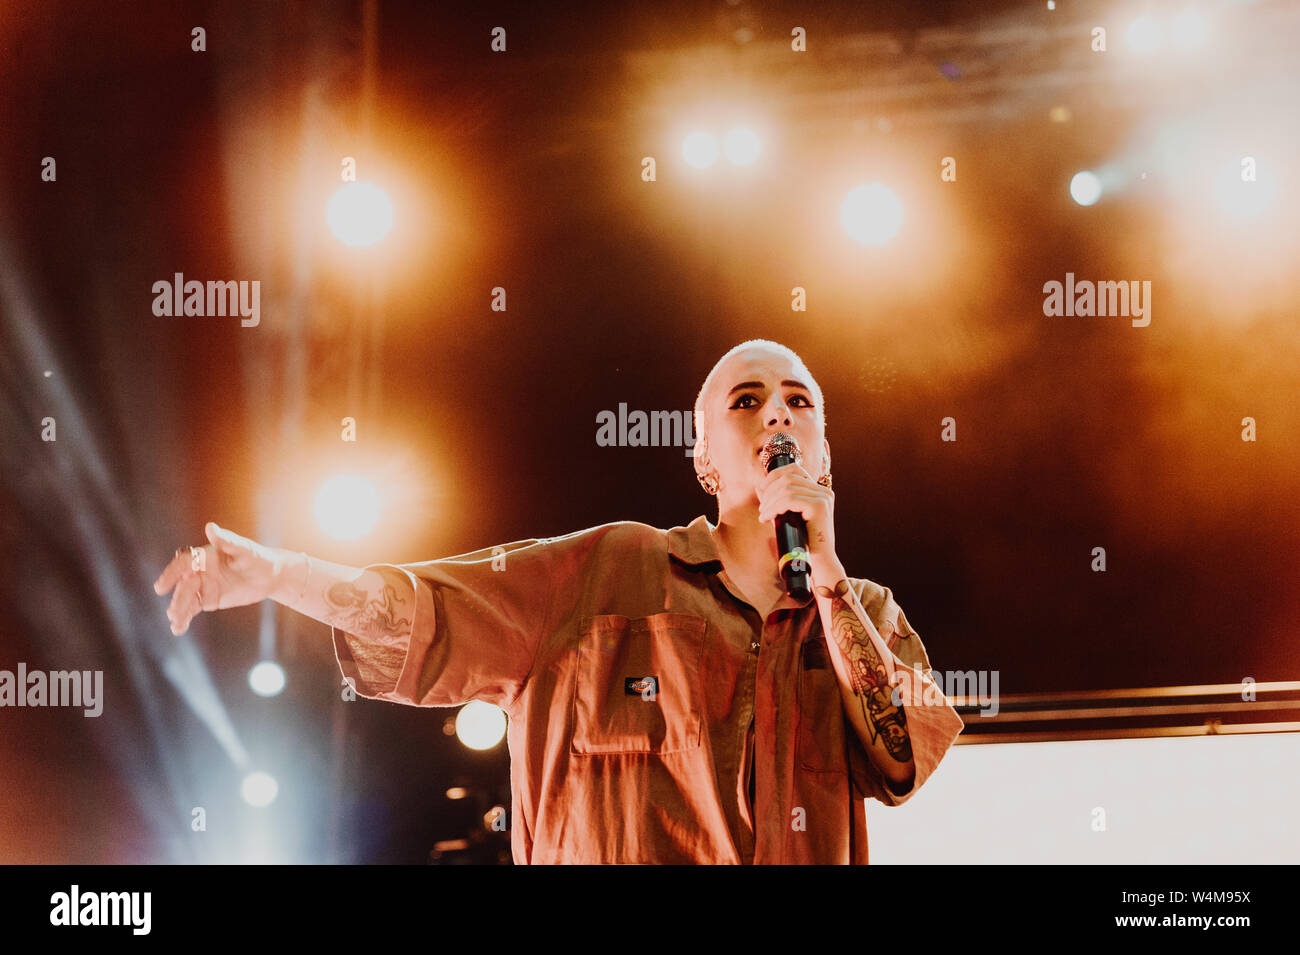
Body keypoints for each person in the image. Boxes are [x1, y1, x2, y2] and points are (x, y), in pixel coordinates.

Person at [153, 339, 964, 863]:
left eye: (798, 400)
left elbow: (902, 760)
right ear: (704, 459)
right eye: (746, 400)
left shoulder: (867, 613)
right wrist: (279, 573)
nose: (777, 410)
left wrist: (824, 576)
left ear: (823, 452)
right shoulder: (606, 573)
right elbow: (424, 612)